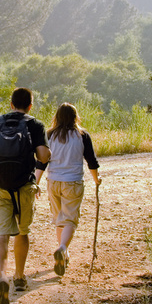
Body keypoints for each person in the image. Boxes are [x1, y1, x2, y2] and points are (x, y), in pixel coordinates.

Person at [0, 87, 50, 304]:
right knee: (23, 231)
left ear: (11, 104)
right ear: (30, 105)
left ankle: (2, 276)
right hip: (24, 186)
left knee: (1, 234)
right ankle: (19, 276)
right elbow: (44, 156)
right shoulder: (35, 124)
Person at [35, 102, 101, 277]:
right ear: (75, 117)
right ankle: (63, 248)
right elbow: (91, 161)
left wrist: (36, 182)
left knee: (59, 219)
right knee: (70, 219)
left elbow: (42, 161)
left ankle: (64, 254)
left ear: (56, 117)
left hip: (53, 181)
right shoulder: (82, 135)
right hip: (73, 182)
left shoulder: (49, 135)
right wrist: (96, 179)